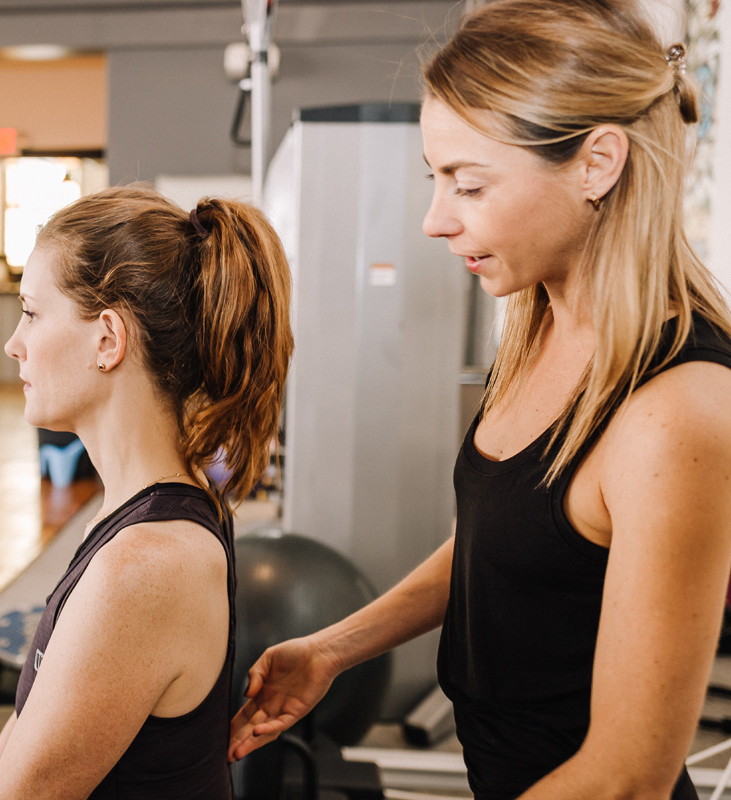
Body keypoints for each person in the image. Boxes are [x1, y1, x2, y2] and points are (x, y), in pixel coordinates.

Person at [228, 1, 731, 798]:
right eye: (436, 180)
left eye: (468, 183)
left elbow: (628, 776)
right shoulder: (537, 327)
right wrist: (333, 649)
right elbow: (500, 544)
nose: (434, 219)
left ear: (598, 163)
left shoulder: (676, 413)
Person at [0, 184, 293, 799]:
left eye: (32, 313)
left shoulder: (145, 565)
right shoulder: (138, 505)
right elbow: (23, 727)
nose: (15, 343)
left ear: (108, 340)